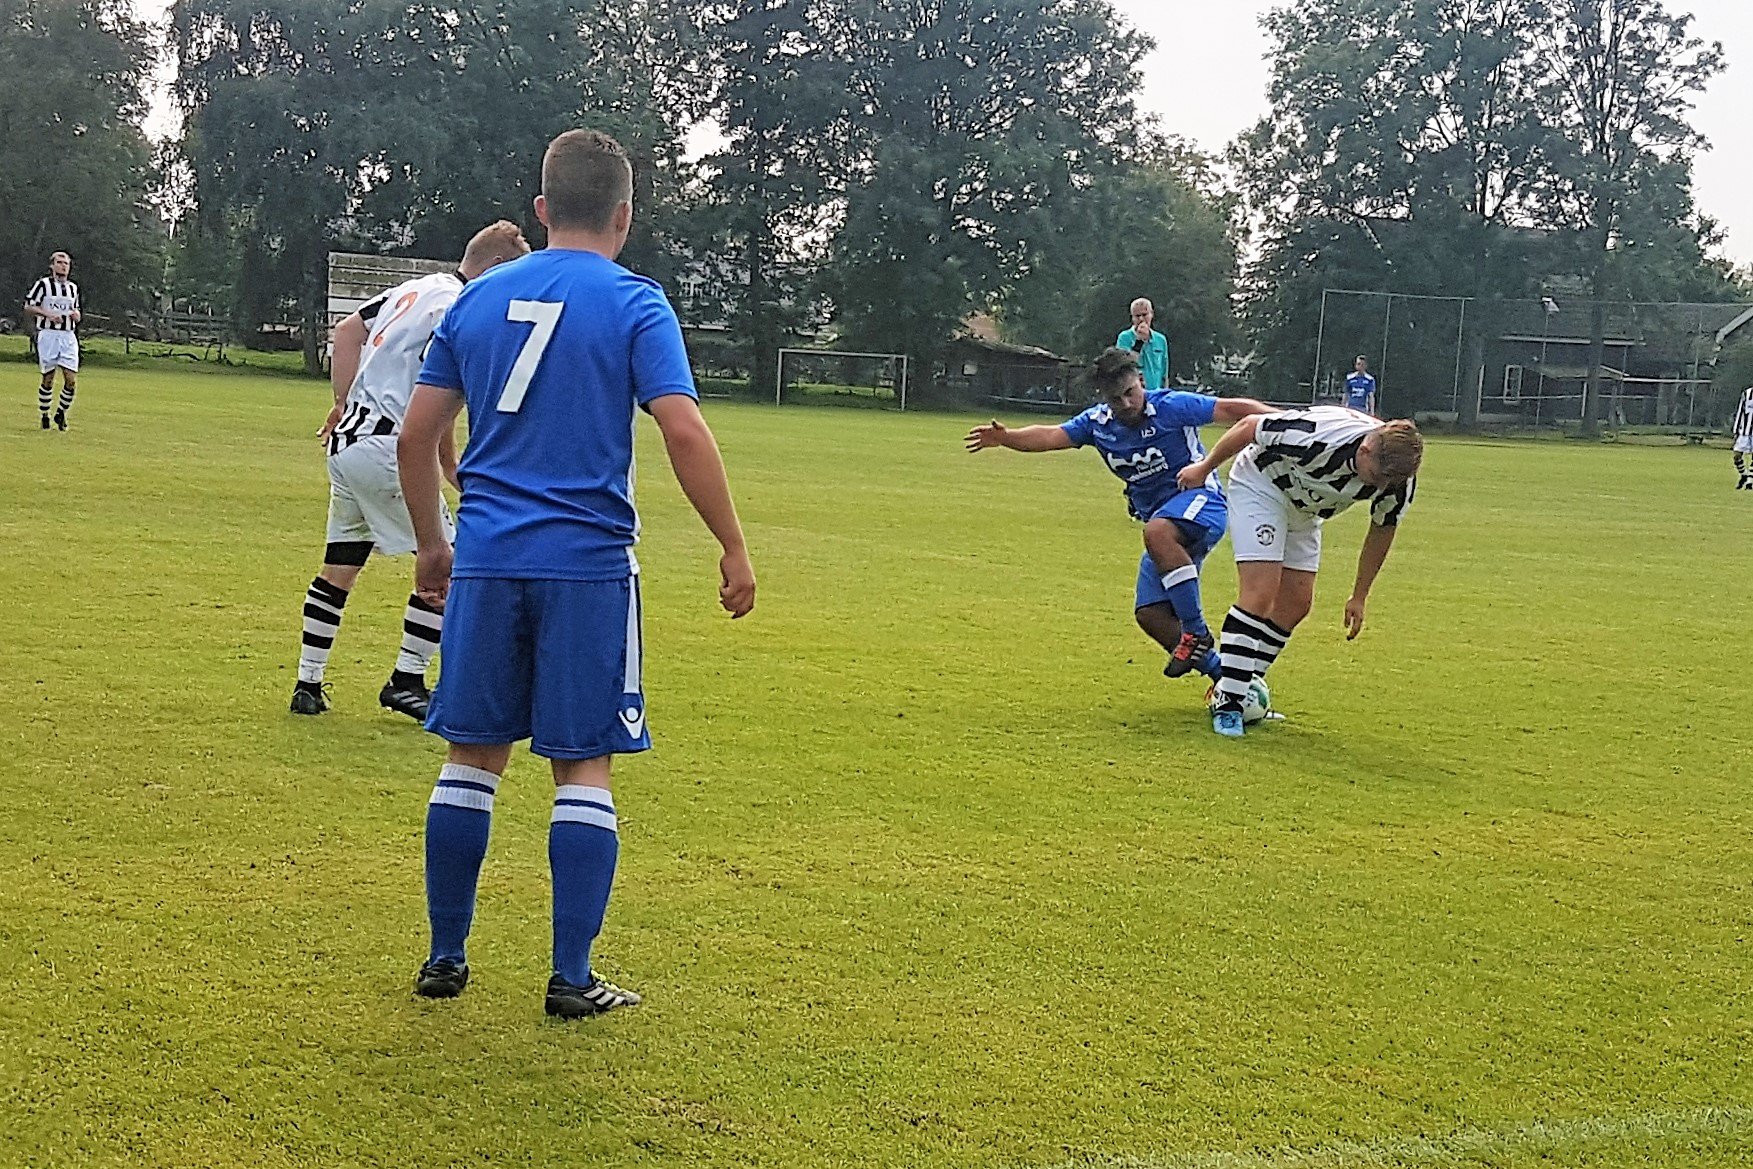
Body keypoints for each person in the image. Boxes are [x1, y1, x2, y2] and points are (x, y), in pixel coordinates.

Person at [398, 129, 756, 1019]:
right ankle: (570, 975)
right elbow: (681, 430)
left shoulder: (474, 303)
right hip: (589, 565)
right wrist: (732, 544)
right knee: (582, 764)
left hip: (484, 559)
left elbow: (416, 436)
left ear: (543, 210)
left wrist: (434, 544)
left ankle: (446, 957)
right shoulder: (636, 303)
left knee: (470, 757)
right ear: (625, 216)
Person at [290, 220, 531, 721]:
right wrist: (444, 463)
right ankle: (407, 679)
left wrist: (343, 400)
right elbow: (433, 395)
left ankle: (307, 683)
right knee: (455, 562)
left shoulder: (416, 287)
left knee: (341, 563)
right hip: (387, 446)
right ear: (497, 268)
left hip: (349, 442)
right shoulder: (464, 306)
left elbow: (347, 330)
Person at [966, 347, 1271, 680]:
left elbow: (1233, 409)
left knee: (1156, 532)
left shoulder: (1171, 406)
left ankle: (1195, 631)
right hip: (1164, 524)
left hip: (1201, 503)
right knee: (1150, 613)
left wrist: (1285, 424)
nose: (1126, 404)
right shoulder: (1097, 425)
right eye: (1116, 399)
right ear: (1104, 399)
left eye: (1130, 393)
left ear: (1141, 381)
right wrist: (1007, 438)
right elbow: (1052, 435)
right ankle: (1226, 680)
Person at [1177, 405, 1422, 737]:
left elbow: (1382, 528)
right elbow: (1250, 425)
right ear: (1365, 449)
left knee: (1296, 603)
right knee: (1260, 594)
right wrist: (1204, 469)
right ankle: (1230, 704)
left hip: (1306, 509)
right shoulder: (1315, 433)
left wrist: (1359, 596)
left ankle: (1238, 685)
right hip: (1261, 485)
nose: (1384, 486)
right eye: (1379, 478)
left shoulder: (1397, 478)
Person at [25, 252, 80, 431]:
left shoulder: (73, 288)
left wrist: (76, 315)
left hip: (68, 336)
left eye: (66, 263)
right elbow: (29, 306)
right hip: (48, 334)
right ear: (52, 265)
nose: (63, 266)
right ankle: (44, 415)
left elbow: (76, 310)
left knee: (71, 380)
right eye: (60, 262)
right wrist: (48, 314)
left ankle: (61, 413)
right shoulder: (43, 285)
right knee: (48, 379)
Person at [1116, 298, 1170, 391]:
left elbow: (1164, 372)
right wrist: (1139, 342)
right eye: (1137, 316)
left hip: (1156, 392)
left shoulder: (1160, 340)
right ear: (1132, 318)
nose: (1141, 319)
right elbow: (1124, 366)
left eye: (1144, 315)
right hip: (1136, 394)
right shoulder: (1124, 338)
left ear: (1151, 314)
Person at [1732, 384, 1752, 490]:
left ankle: (1750, 481)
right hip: (1744, 432)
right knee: (1737, 455)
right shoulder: (1747, 394)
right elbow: (1740, 412)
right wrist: (1736, 430)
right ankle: (1744, 474)